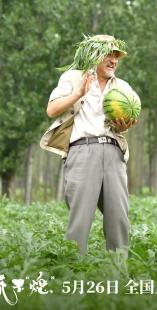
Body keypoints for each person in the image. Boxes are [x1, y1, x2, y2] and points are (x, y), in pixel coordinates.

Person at [40, 34, 136, 254]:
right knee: (80, 219)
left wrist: (123, 127)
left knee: (118, 217)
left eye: (116, 56)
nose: (114, 60)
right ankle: (74, 271)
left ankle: (118, 270)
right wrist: (78, 93)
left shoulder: (122, 87)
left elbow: (124, 123)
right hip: (82, 151)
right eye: (108, 54)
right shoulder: (74, 78)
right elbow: (52, 110)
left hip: (113, 152)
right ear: (94, 54)